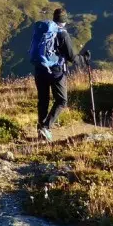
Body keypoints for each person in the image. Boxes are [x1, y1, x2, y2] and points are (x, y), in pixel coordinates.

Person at [31, 8, 87, 141]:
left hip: (40, 68)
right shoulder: (62, 34)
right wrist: (84, 59)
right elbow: (72, 57)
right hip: (56, 71)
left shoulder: (43, 31)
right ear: (65, 20)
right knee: (62, 101)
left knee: (43, 99)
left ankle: (41, 129)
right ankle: (46, 127)